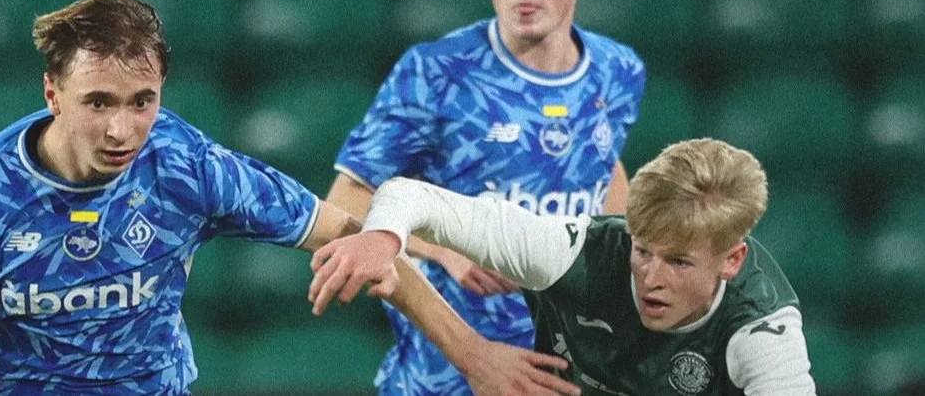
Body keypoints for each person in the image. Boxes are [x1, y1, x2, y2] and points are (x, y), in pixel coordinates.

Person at [0, 0, 555, 396]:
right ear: (52, 93)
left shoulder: (186, 167)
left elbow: (357, 239)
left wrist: (474, 356)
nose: (122, 129)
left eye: (142, 102)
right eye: (97, 102)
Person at [325, 0, 645, 394]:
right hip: (443, 375)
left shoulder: (619, 71)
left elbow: (604, 170)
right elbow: (344, 201)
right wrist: (444, 247)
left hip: (567, 371)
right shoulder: (435, 74)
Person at [310, 138, 817, 395]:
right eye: (643, 251)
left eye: (679, 262)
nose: (651, 278)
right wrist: (383, 237)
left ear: (732, 260)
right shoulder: (573, 252)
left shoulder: (763, 333)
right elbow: (412, 196)